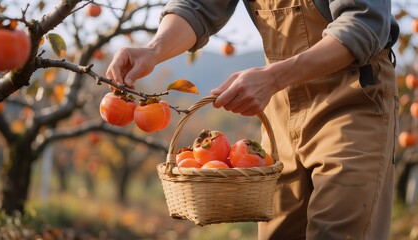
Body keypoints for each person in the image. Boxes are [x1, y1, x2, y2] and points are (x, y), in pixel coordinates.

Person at [106, 0, 400, 239]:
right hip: (280, 106)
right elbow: (198, 7)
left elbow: (364, 23)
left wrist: (273, 77)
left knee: (339, 230)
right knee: (279, 233)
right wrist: (154, 49)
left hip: (351, 100)